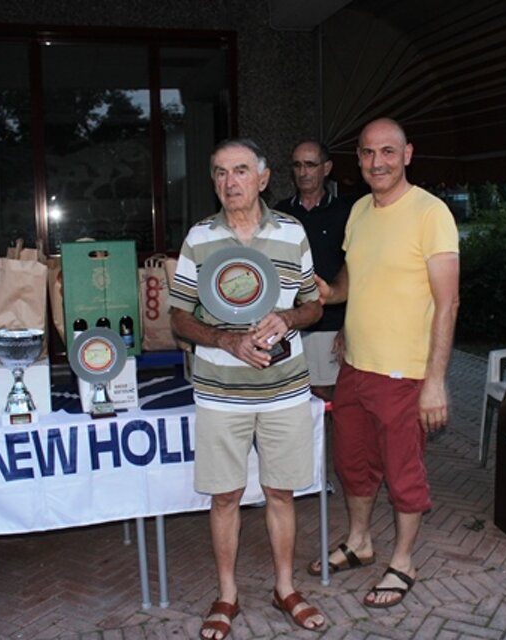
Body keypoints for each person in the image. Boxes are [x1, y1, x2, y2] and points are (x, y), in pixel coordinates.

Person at [168, 138, 326, 639]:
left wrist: (288, 319)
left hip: (285, 390)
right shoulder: (199, 237)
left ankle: (285, 588)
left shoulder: (292, 232)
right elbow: (178, 316)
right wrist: (225, 340)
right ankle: (227, 594)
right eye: (219, 172)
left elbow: (313, 305)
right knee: (225, 496)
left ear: (263, 178)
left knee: (281, 492)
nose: (229, 181)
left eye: (239, 170)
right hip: (220, 391)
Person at [310, 118, 460, 608]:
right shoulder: (359, 210)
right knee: (351, 463)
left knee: (402, 472)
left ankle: (404, 561)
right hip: (355, 366)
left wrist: (435, 382)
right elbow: (357, 272)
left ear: (407, 154)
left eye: (388, 152)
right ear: (358, 159)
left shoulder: (430, 213)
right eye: (368, 153)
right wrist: (333, 293)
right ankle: (360, 541)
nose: (378, 162)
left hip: (404, 373)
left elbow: (448, 303)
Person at [274, 141, 350, 400]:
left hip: (330, 327)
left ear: (326, 168)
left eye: (310, 165)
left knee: (328, 399)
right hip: (287, 325)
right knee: (290, 399)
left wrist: (349, 327)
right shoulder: (279, 213)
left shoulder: (345, 213)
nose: (303, 172)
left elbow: (358, 273)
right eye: (297, 165)